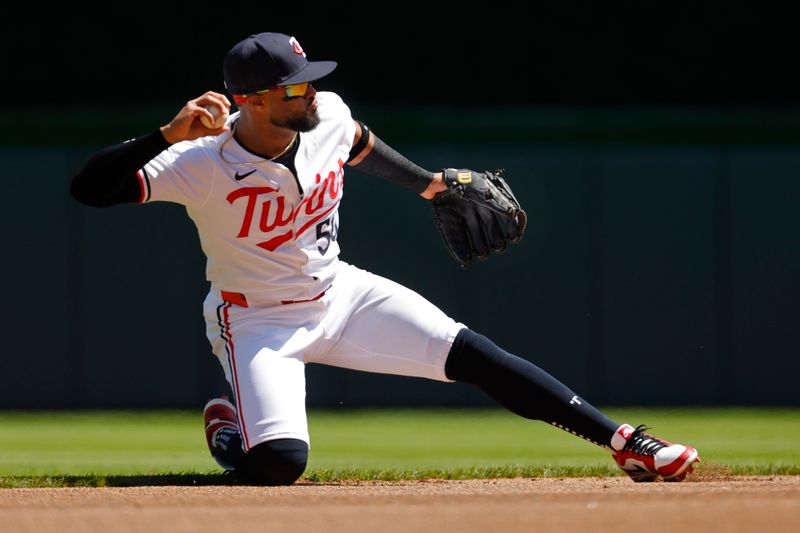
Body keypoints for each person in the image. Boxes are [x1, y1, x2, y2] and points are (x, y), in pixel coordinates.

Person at [71, 32, 700, 486]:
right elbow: (89, 189)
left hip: (340, 293)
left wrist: (430, 184)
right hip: (255, 319)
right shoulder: (200, 162)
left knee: (474, 354)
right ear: (255, 100)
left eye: (310, 75)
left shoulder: (327, 116)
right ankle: (234, 438)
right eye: (295, 83)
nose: (311, 89)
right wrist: (162, 137)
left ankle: (626, 441)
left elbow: (361, 146)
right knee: (280, 466)